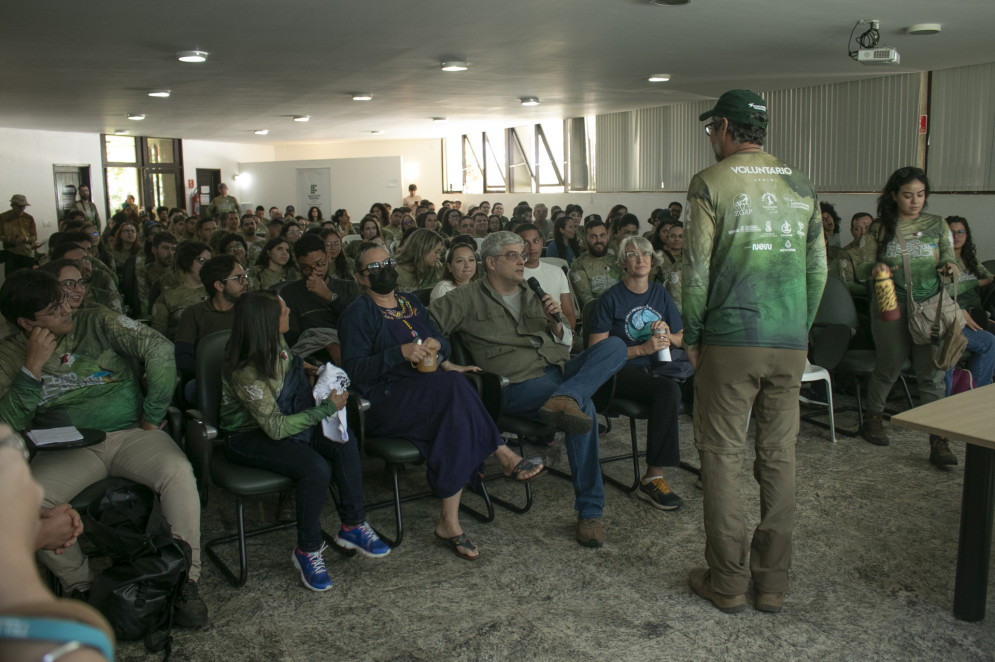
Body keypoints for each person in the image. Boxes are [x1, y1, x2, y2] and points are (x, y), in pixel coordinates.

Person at [682, 89, 826, 614]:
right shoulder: (801, 184)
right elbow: (818, 271)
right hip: (789, 340)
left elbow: (696, 271)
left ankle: (728, 583)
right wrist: (798, 330)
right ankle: (772, 584)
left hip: (730, 339)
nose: (710, 139)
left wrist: (693, 336)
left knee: (722, 457)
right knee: (779, 456)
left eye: (710, 130)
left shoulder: (710, 183)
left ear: (724, 127)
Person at [0, 270, 208, 627]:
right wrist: (31, 367)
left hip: (131, 433)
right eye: (54, 308)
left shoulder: (97, 321)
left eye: (64, 297)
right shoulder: (10, 354)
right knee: (29, 502)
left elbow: (158, 347)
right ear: (25, 322)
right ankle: (81, 587)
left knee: (177, 472)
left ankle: (184, 580)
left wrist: (153, 412)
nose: (67, 308)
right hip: (67, 447)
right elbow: (8, 421)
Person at [340, 243, 544, 560]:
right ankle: (501, 452)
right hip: (383, 401)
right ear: (361, 278)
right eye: (375, 269)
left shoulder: (409, 302)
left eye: (388, 263)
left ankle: (450, 522)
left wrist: (439, 346)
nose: (385, 271)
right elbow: (353, 370)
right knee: (454, 388)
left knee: (455, 417)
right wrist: (400, 353)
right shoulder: (358, 313)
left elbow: (444, 344)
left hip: (428, 393)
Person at [430, 231, 628, 548]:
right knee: (585, 408)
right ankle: (590, 512)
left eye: (522, 254)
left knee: (615, 346)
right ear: (490, 262)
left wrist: (555, 323)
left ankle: (569, 397)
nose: (522, 260)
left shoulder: (533, 291)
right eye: (512, 255)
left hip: (559, 368)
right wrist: (444, 363)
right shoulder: (464, 298)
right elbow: (426, 330)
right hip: (516, 384)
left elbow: (566, 341)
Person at [220, 291, 389, 590]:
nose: (289, 311)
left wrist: (309, 369)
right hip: (247, 437)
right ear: (268, 322)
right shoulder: (246, 372)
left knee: (342, 441)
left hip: (287, 421)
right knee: (315, 468)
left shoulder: (277, 343)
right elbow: (275, 427)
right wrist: (326, 409)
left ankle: (352, 524)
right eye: (284, 310)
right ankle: (307, 550)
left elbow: (287, 367)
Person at [854, 167, 959, 466]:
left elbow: (950, 257)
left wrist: (949, 267)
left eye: (921, 195)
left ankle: (939, 440)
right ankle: (873, 419)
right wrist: (875, 270)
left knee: (932, 375)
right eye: (908, 195)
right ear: (894, 196)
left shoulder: (937, 224)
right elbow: (861, 267)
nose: (915, 201)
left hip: (930, 305)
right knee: (890, 365)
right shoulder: (880, 227)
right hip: (890, 301)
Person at [0, 428, 115, 662]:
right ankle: (80, 588)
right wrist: (31, 533)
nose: (35, 488)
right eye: (13, 448)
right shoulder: (64, 652)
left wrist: (35, 532)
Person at [589, 235, 686, 510]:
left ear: (653, 260)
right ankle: (653, 478)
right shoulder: (610, 299)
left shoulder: (660, 292)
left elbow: (680, 337)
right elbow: (597, 352)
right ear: (623, 262)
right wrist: (641, 350)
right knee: (668, 390)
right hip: (619, 372)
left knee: (701, 382)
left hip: (659, 366)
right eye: (632, 254)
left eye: (645, 254)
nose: (640, 259)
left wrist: (669, 336)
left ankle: (713, 464)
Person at [281, 233, 361, 364]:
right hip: (311, 355)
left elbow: (358, 323)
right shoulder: (290, 292)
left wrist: (330, 297)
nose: (314, 272)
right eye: (306, 268)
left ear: (328, 258)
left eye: (319, 264)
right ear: (298, 266)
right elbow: (292, 337)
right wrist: (327, 346)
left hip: (350, 349)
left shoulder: (349, 288)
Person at [174, 254, 249, 378]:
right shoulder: (193, 313)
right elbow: (183, 356)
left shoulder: (250, 310)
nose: (245, 282)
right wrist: (211, 374)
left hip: (244, 377)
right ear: (219, 285)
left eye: (245, 277)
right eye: (238, 278)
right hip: (207, 377)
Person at [944, 216, 994, 390]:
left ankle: (973, 388)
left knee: (990, 339)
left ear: (966, 235)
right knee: (989, 342)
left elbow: (989, 277)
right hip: (953, 316)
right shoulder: (942, 261)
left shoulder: (970, 258)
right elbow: (947, 290)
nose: (957, 236)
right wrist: (976, 283)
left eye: (961, 232)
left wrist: (986, 280)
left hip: (976, 313)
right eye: (952, 232)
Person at [516, 223, 577, 329]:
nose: (532, 247)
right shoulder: (512, 274)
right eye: (525, 243)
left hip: (557, 331)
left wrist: (568, 335)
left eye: (535, 241)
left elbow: (568, 313)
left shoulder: (557, 271)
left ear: (541, 242)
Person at [150, 241, 211, 340]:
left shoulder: (219, 292)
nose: (207, 266)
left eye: (209, 261)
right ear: (187, 261)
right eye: (201, 260)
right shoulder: (167, 298)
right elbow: (158, 339)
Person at [569, 217, 620, 310]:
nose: (599, 240)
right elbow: (587, 300)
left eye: (602, 235)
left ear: (608, 236)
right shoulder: (578, 265)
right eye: (593, 236)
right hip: (597, 313)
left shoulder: (617, 261)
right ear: (585, 239)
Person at [832, 212, 874, 295]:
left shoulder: (879, 250)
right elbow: (847, 284)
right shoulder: (845, 253)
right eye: (858, 229)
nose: (863, 233)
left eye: (867, 228)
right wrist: (871, 291)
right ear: (851, 231)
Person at [136, 231, 176, 316]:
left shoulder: (179, 272)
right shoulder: (145, 273)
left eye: (173, 249)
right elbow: (144, 304)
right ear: (154, 250)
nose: (170, 253)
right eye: (165, 248)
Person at [1, 194, 39, 274]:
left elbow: (34, 236)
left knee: (28, 279)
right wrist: (9, 239)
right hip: (11, 254)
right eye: (20, 207)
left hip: (26, 253)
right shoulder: (3, 218)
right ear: (13, 205)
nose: (22, 209)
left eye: (24, 206)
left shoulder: (29, 218)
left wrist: (25, 239)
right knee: (12, 279)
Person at [656, 222, 685, 312]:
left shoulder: (689, 259)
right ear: (667, 238)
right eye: (672, 236)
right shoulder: (658, 257)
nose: (676, 239)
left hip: (684, 303)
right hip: (663, 302)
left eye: (681, 236)